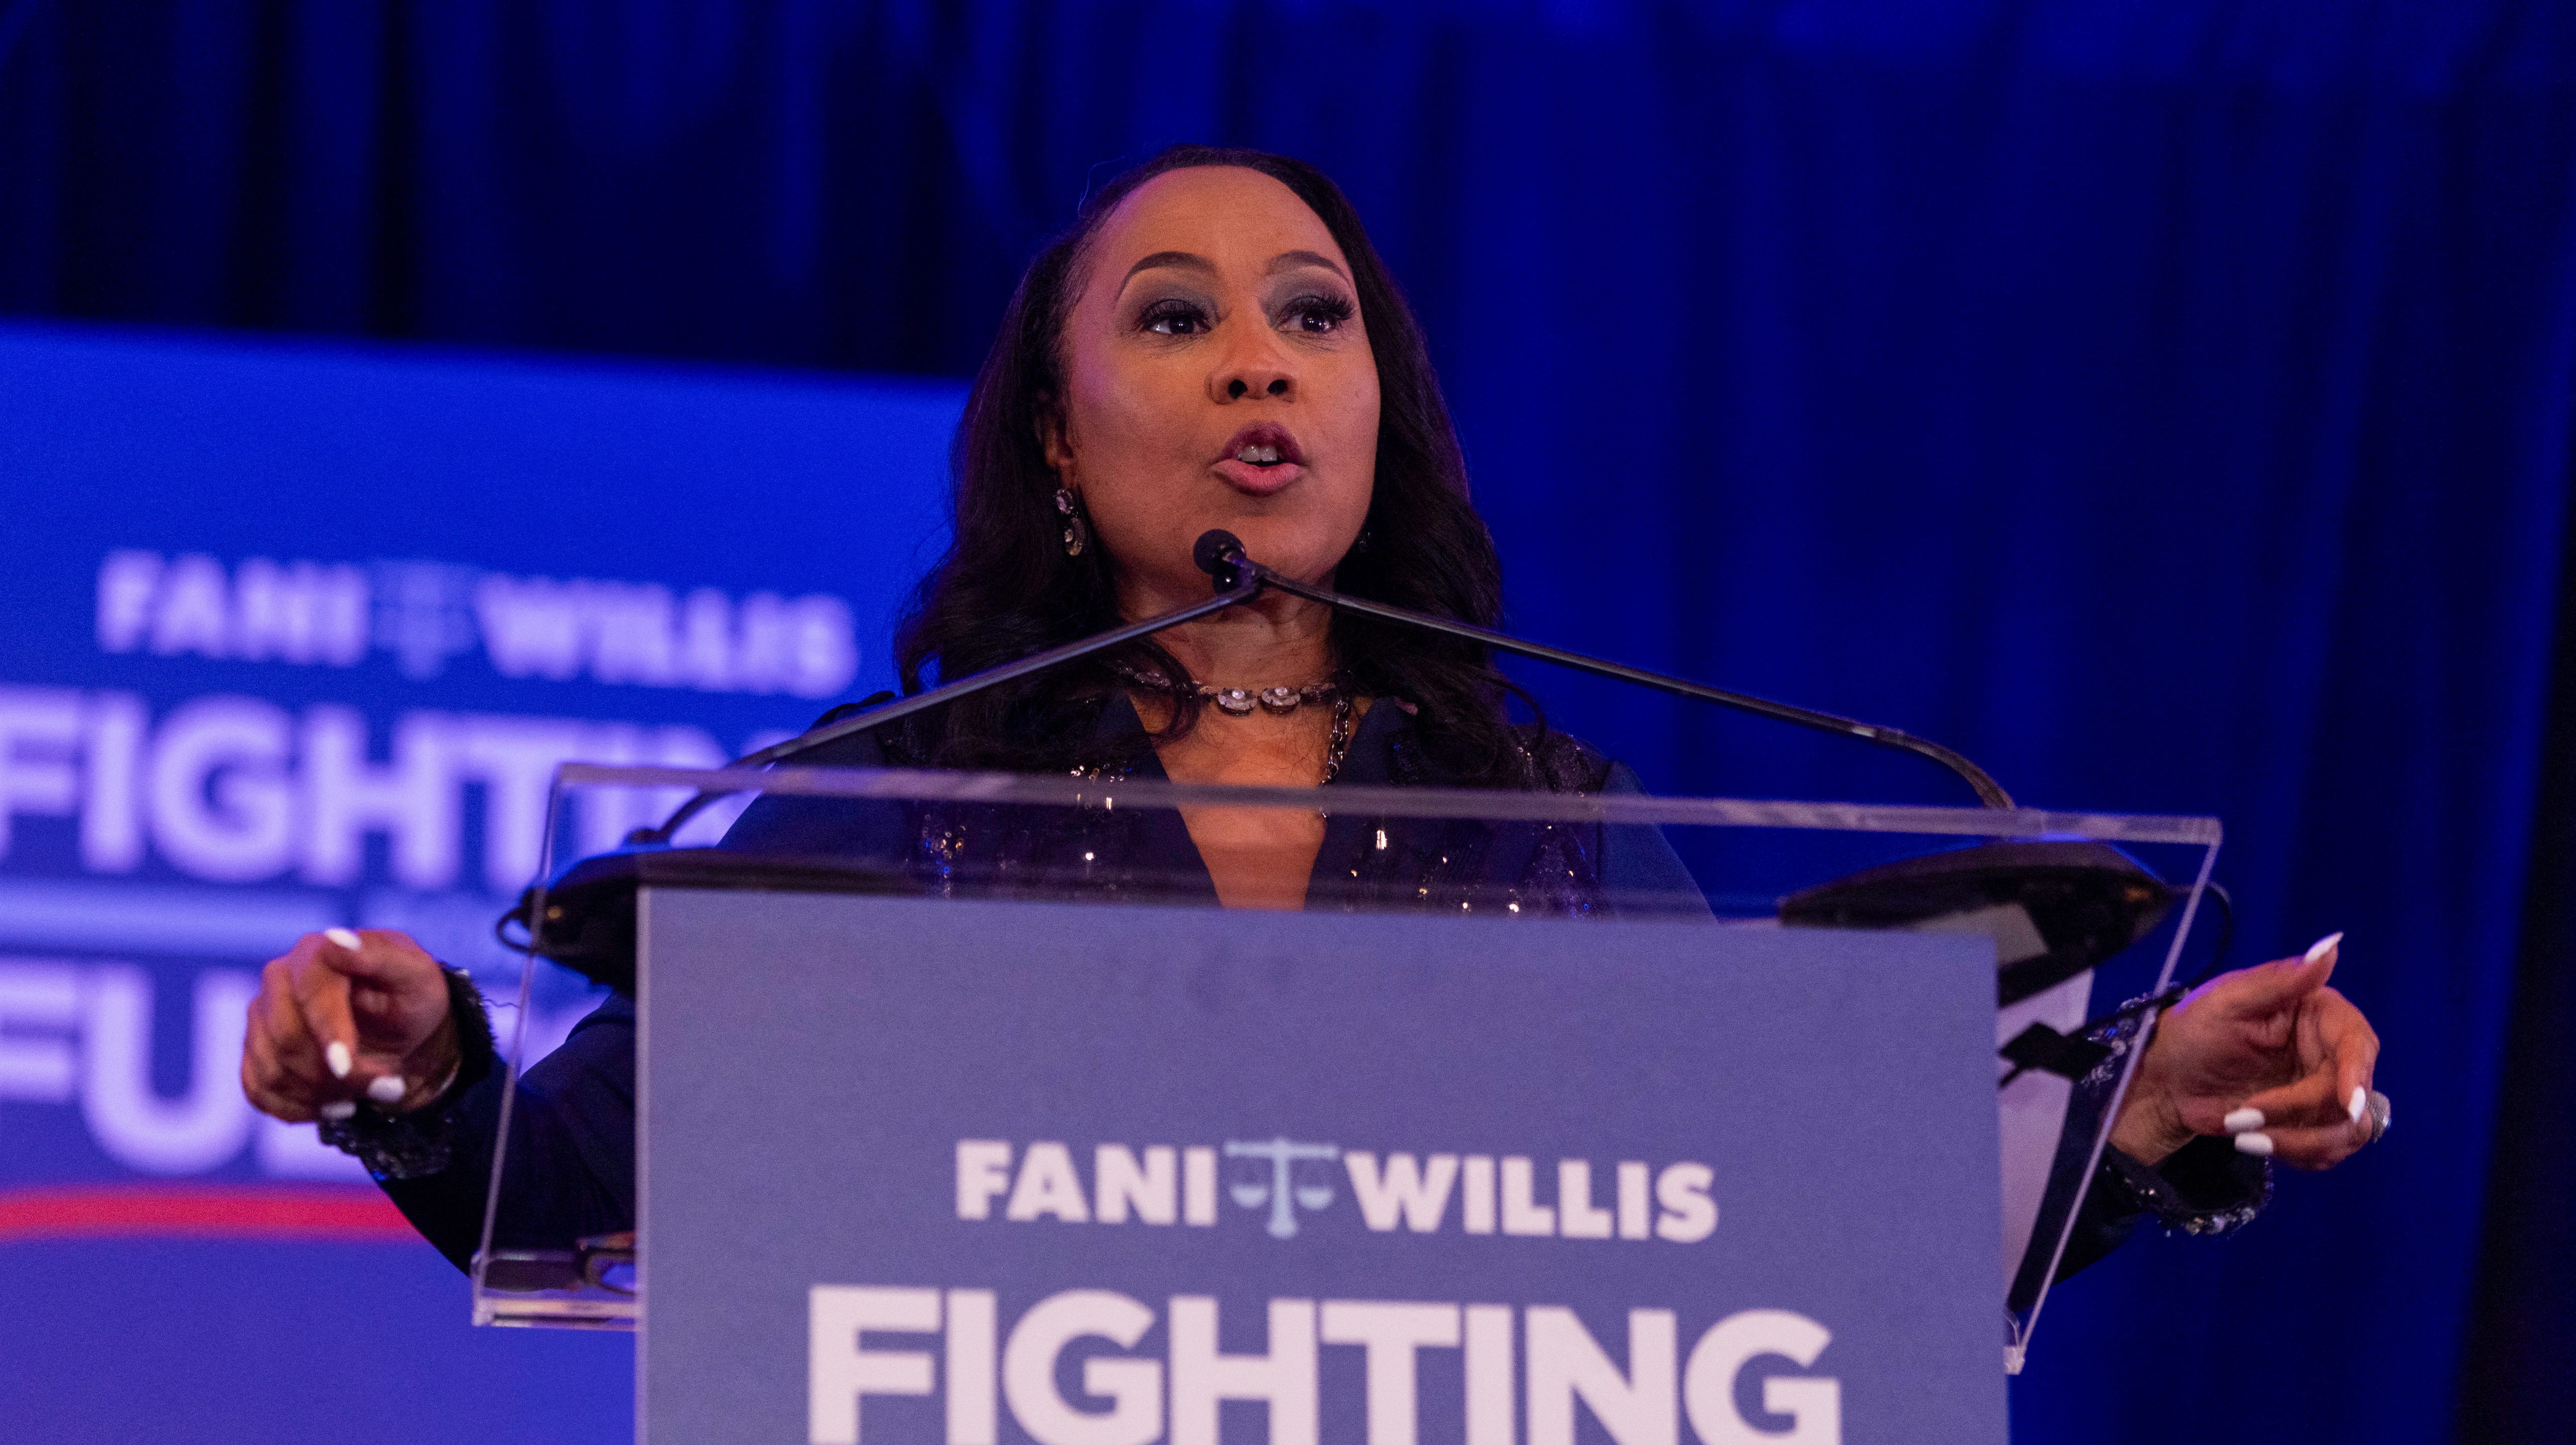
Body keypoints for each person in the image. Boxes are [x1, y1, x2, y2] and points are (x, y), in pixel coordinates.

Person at [236, 146, 2384, 1283]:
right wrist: (417, 1070)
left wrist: (2147, 1103)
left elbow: (1798, 1212)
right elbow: (578, 1189)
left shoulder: (1539, 812)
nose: (1258, 362)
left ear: (1378, 407)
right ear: (1062, 447)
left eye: (1310, 317)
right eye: (1175, 321)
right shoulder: (903, 800)